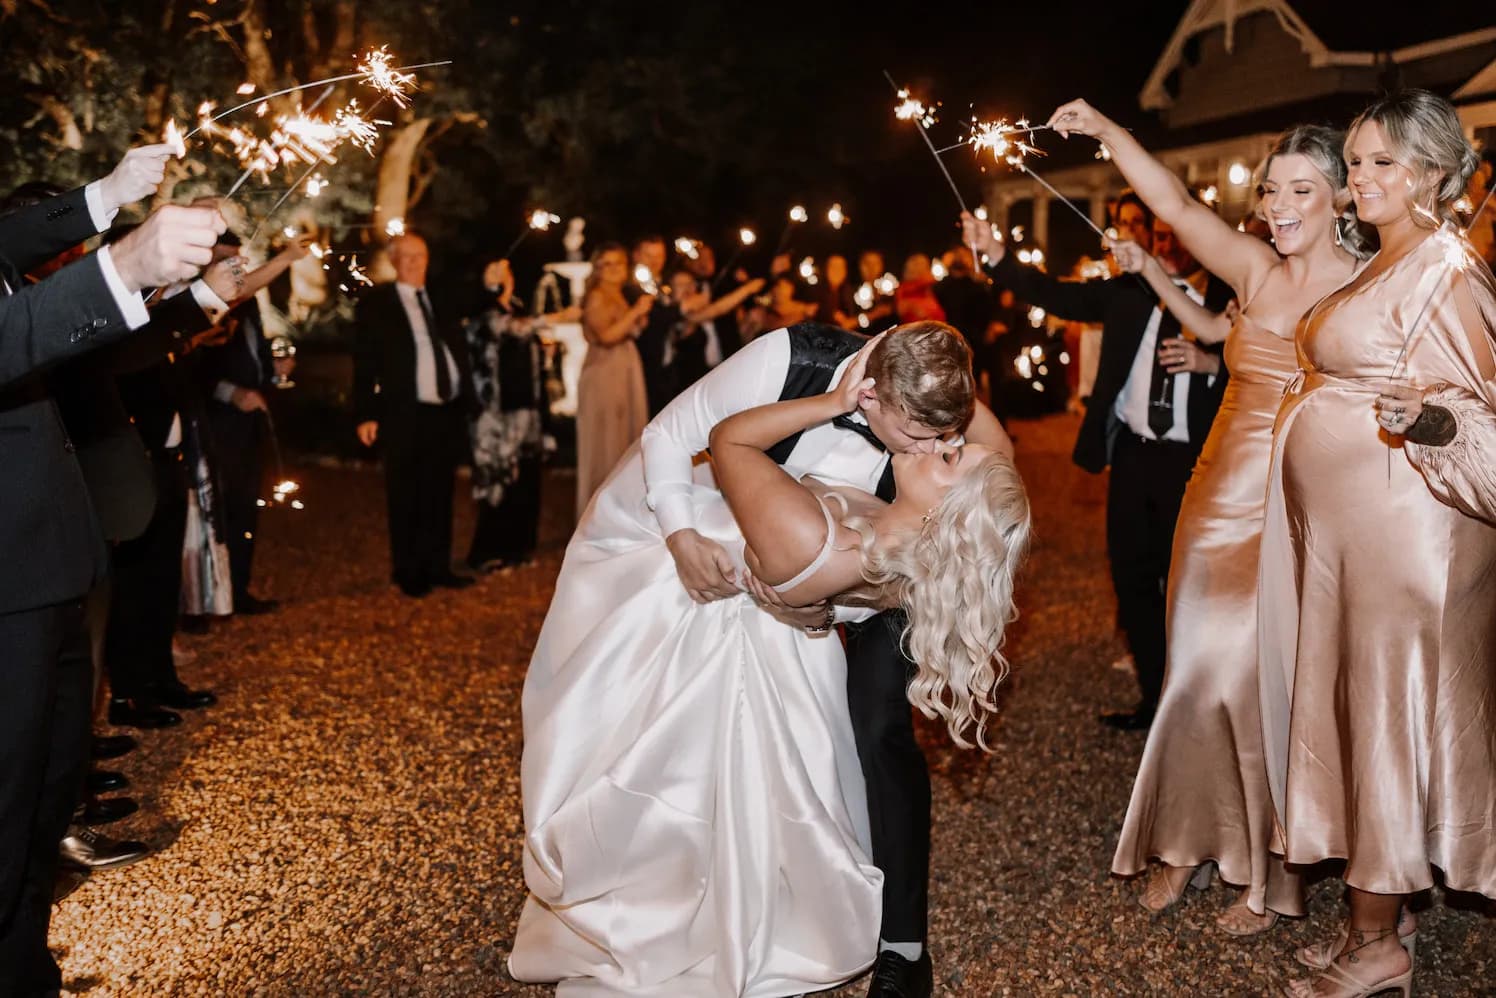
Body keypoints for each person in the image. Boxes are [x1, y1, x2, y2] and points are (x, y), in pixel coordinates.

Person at [510, 330, 1029, 997]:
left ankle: (903, 942)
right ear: (871, 397)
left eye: (945, 440)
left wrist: (830, 602)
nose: (930, 448)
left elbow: (994, 471)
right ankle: (712, 881)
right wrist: (681, 534)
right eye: (917, 436)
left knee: (878, 724)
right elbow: (674, 437)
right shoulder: (789, 360)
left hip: (892, 555)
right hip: (770, 534)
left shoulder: (936, 411)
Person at [1042, 101, 1371, 935]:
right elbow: (1177, 210)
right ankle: (1185, 844)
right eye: (1271, 190)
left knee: (1262, 683)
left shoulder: (1368, 286)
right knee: (1191, 670)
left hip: (1295, 505)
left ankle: (1266, 867)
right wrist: (1109, 135)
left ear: (1342, 196)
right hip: (1213, 492)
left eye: (1303, 188)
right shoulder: (1256, 270)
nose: (1281, 205)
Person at [1252, 90, 1496, 998]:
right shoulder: (1384, 260)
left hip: (1412, 537)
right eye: (1354, 163)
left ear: (1434, 170)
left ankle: (1378, 945)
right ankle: (1375, 920)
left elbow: (1485, 414)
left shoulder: (1444, 268)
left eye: (1380, 163)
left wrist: (1430, 419)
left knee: (1388, 719)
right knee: (1357, 715)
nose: (1360, 180)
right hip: (1356, 539)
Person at [0, 144, 226, 997]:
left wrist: (107, 194)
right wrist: (123, 264)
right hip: (2, 576)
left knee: (43, 800)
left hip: (43, 557)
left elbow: (6, 243)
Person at [972, 191, 1232, 732]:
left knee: (1192, 583)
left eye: (1176, 236)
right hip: (1136, 454)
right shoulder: (1128, 293)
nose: (1168, 246)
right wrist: (997, 257)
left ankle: (1204, 705)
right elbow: (1055, 295)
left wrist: (1211, 360)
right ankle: (1156, 700)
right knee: (1133, 578)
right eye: (1159, 236)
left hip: (1198, 460)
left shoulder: (1233, 297)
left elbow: (1271, 360)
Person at [353, 232, 475, 597]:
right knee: (406, 493)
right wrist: (365, 414)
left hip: (445, 410)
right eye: (405, 256)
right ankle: (409, 571)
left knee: (440, 491)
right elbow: (364, 363)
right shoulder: (377, 305)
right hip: (404, 411)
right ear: (393, 260)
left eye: (419, 256)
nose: (414, 263)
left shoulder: (441, 299)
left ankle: (438, 566)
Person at [195, 233, 309, 614]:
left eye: (237, 261)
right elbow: (195, 366)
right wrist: (231, 393)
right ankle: (205, 601)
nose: (235, 269)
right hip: (215, 421)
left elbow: (253, 354)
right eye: (226, 260)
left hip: (248, 425)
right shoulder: (201, 302)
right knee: (217, 511)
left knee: (245, 508)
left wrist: (273, 372)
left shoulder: (249, 304)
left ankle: (238, 592)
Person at [464, 258, 573, 572]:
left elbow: (525, 342)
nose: (500, 275)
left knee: (526, 480)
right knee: (497, 481)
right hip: (495, 415)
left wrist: (543, 353)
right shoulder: (482, 312)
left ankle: (519, 549)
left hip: (527, 411)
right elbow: (507, 330)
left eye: (504, 269)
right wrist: (559, 317)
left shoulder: (518, 307)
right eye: (492, 269)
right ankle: (487, 554)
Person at [574, 241, 653, 517]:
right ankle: (599, 515)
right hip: (604, 373)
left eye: (617, 263)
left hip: (624, 367)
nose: (612, 269)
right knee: (606, 443)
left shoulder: (619, 294)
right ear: (596, 269)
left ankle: (621, 513)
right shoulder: (596, 295)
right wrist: (636, 312)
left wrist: (638, 318)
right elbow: (606, 336)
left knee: (622, 441)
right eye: (605, 264)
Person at [894, 254, 946, 324]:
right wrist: (912, 306)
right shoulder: (903, 289)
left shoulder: (930, 285)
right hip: (918, 328)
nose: (921, 267)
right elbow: (900, 309)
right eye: (917, 264)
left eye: (924, 264)